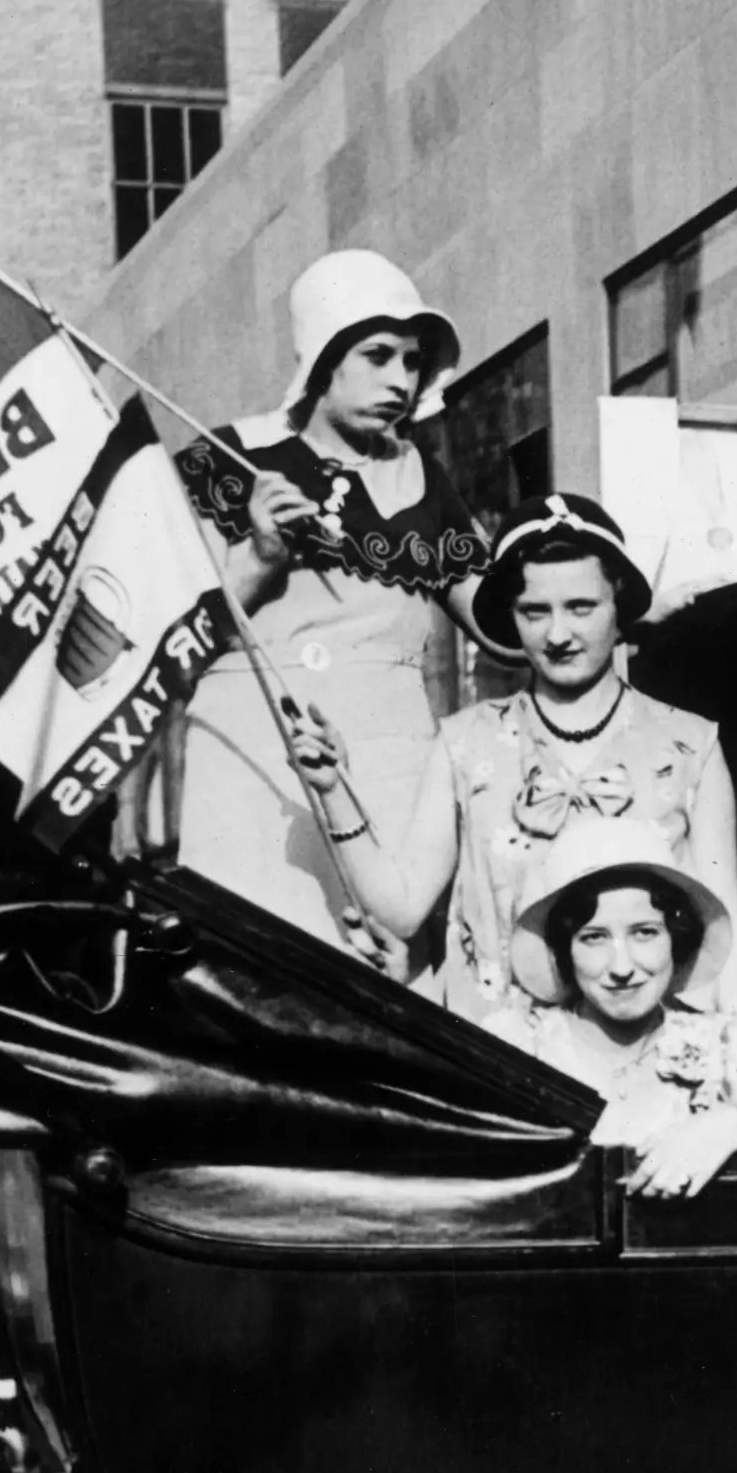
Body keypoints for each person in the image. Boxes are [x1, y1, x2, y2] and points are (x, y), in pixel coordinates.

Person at [290, 491, 737, 1023]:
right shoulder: (465, 744)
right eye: (536, 611)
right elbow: (400, 908)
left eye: (581, 607)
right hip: (502, 1065)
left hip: (651, 1067)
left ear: (618, 605)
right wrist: (333, 791)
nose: (558, 634)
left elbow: (728, 925)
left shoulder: (690, 745)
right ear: (511, 616)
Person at [172, 251, 490, 958]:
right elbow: (173, 632)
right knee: (248, 974)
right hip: (252, 762)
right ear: (322, 358)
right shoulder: (231, 456)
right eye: (377, 355)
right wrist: (259, 556)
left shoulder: (424, 477)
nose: (400, 380)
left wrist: (605, 593)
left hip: (390, 761)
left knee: (381, 972)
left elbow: (498, 619)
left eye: (412, 361)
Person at [490, 822, 737, 1198]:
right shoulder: (519, 1045)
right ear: (565, 950)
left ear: (676, 939)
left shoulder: (721, 1043)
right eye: (594, 938)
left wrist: (730, 1126)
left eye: (644, 932)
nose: (622, 967)